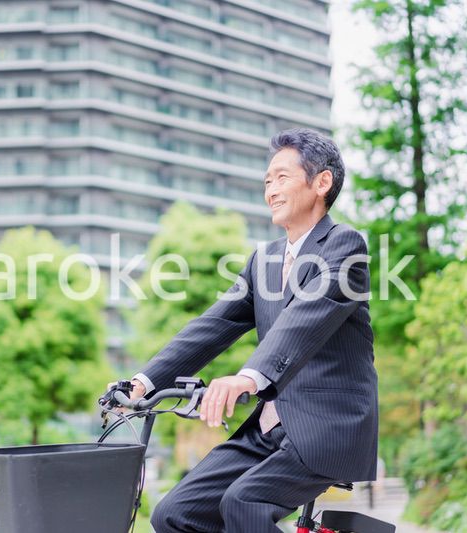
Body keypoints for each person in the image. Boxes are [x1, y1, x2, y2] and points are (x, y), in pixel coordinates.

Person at [131, 128, 379, 533]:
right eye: (267, 181)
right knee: (174, 514)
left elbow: (306, 317)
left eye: (282, 177)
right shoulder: (263, 259)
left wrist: (247, 377)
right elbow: (213, 325)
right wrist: (142, 382)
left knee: (243, 502)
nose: (271, 190)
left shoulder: (344, 245)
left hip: (327, 426)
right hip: (269, 430)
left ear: (322, 182)